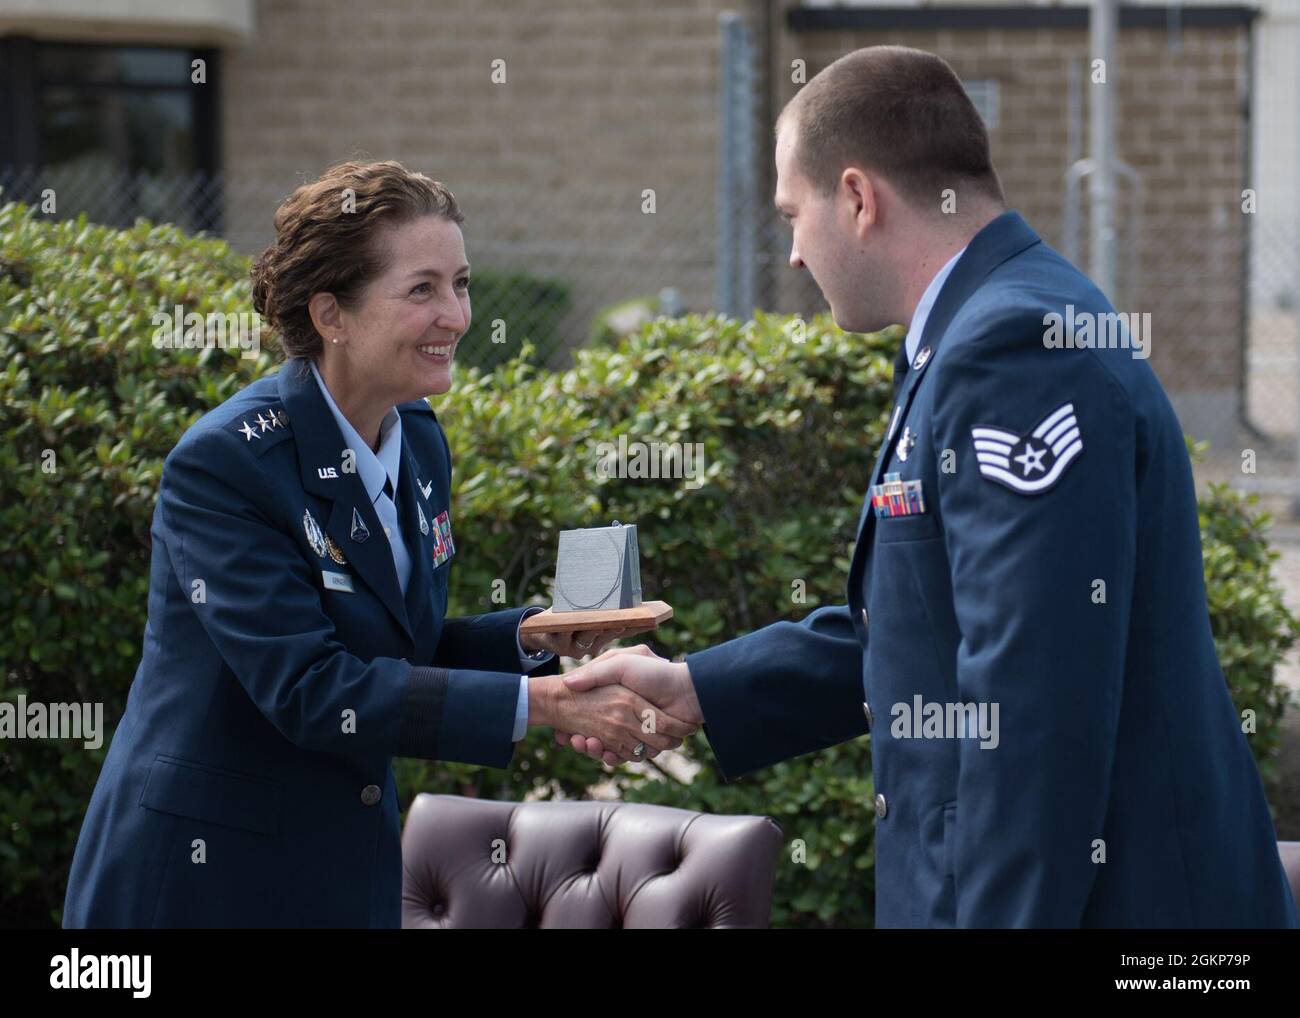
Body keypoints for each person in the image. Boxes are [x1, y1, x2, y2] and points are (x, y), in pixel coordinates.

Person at [556, 47, 1299, 929]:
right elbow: (924, 629)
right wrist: (701, 688)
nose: (792, 253)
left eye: (794, 214)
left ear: (859, 199)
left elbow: (1030, 709)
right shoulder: (985, 327)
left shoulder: (1010, 346)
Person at [62, 160, 696, 928]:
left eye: (460, 284)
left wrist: (533, 639)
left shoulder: (419, 440)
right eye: (422, 289)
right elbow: (312, 689)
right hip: (200, 883)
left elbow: (395, 650)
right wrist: (549, 705)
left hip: (341, 869)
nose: (457, 316)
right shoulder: (228, 462)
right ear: (332, 314)